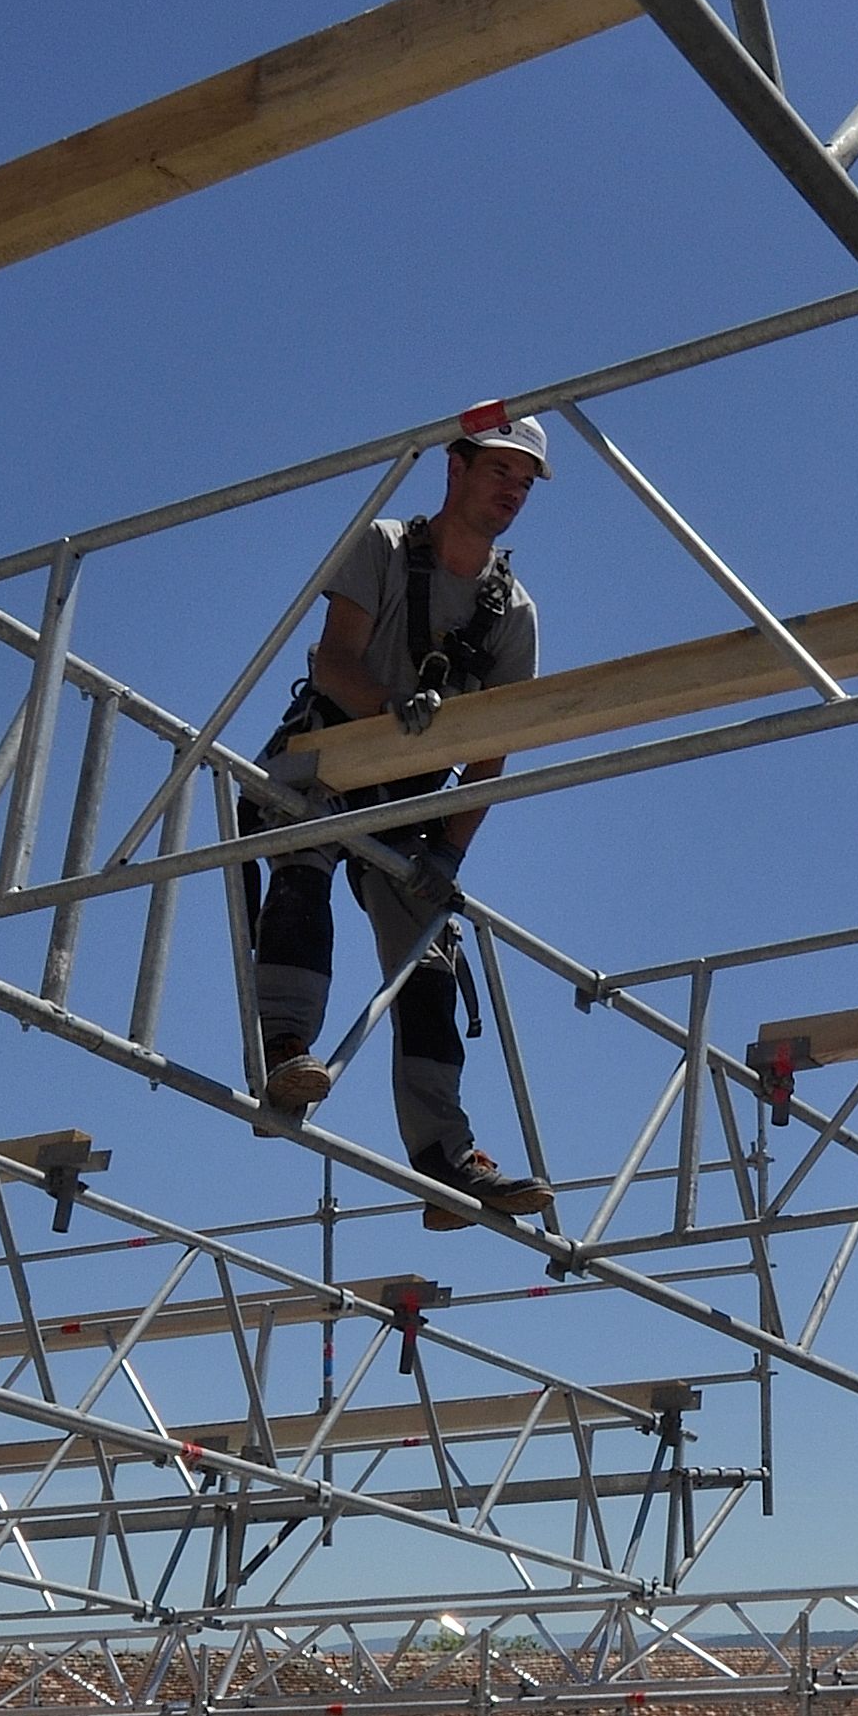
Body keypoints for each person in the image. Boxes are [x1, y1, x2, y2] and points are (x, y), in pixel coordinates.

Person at [253, 405, 551, 1231]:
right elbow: (333, 658)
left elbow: (494, 749)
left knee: (429, 952)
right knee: (305, 858)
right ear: (455, 470)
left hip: (409, 801)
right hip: (331, 755)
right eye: (499, 472)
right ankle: (284, 1052)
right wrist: (391, 712)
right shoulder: (384, 547)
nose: (511, 493)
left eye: (524, 484)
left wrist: (450, 853)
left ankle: (443, 1161)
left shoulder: (512, 610)